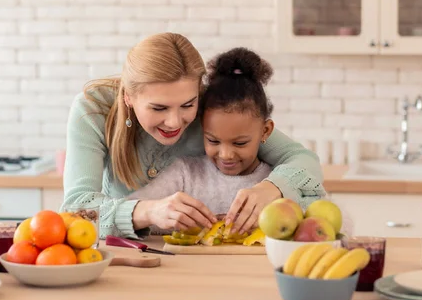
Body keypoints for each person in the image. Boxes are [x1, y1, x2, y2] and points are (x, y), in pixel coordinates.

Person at [61, 32, 326, 240]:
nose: (175, 122)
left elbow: (302, 159)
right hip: (123, 256)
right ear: (128, 97)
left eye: (188, 105)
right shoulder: (94, 109)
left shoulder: (212, 107)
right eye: (159, 108)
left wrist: (270, 188)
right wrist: (148, 211)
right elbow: (75, 211)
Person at [126, 47, 319, 235]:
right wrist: (159, 216)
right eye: (213, 140)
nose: (225, 154)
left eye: (240, 143)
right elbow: (132, 210)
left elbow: (335, 222)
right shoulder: (184, 174)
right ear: (201, 127)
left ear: (265, 131)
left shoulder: (275, 182)